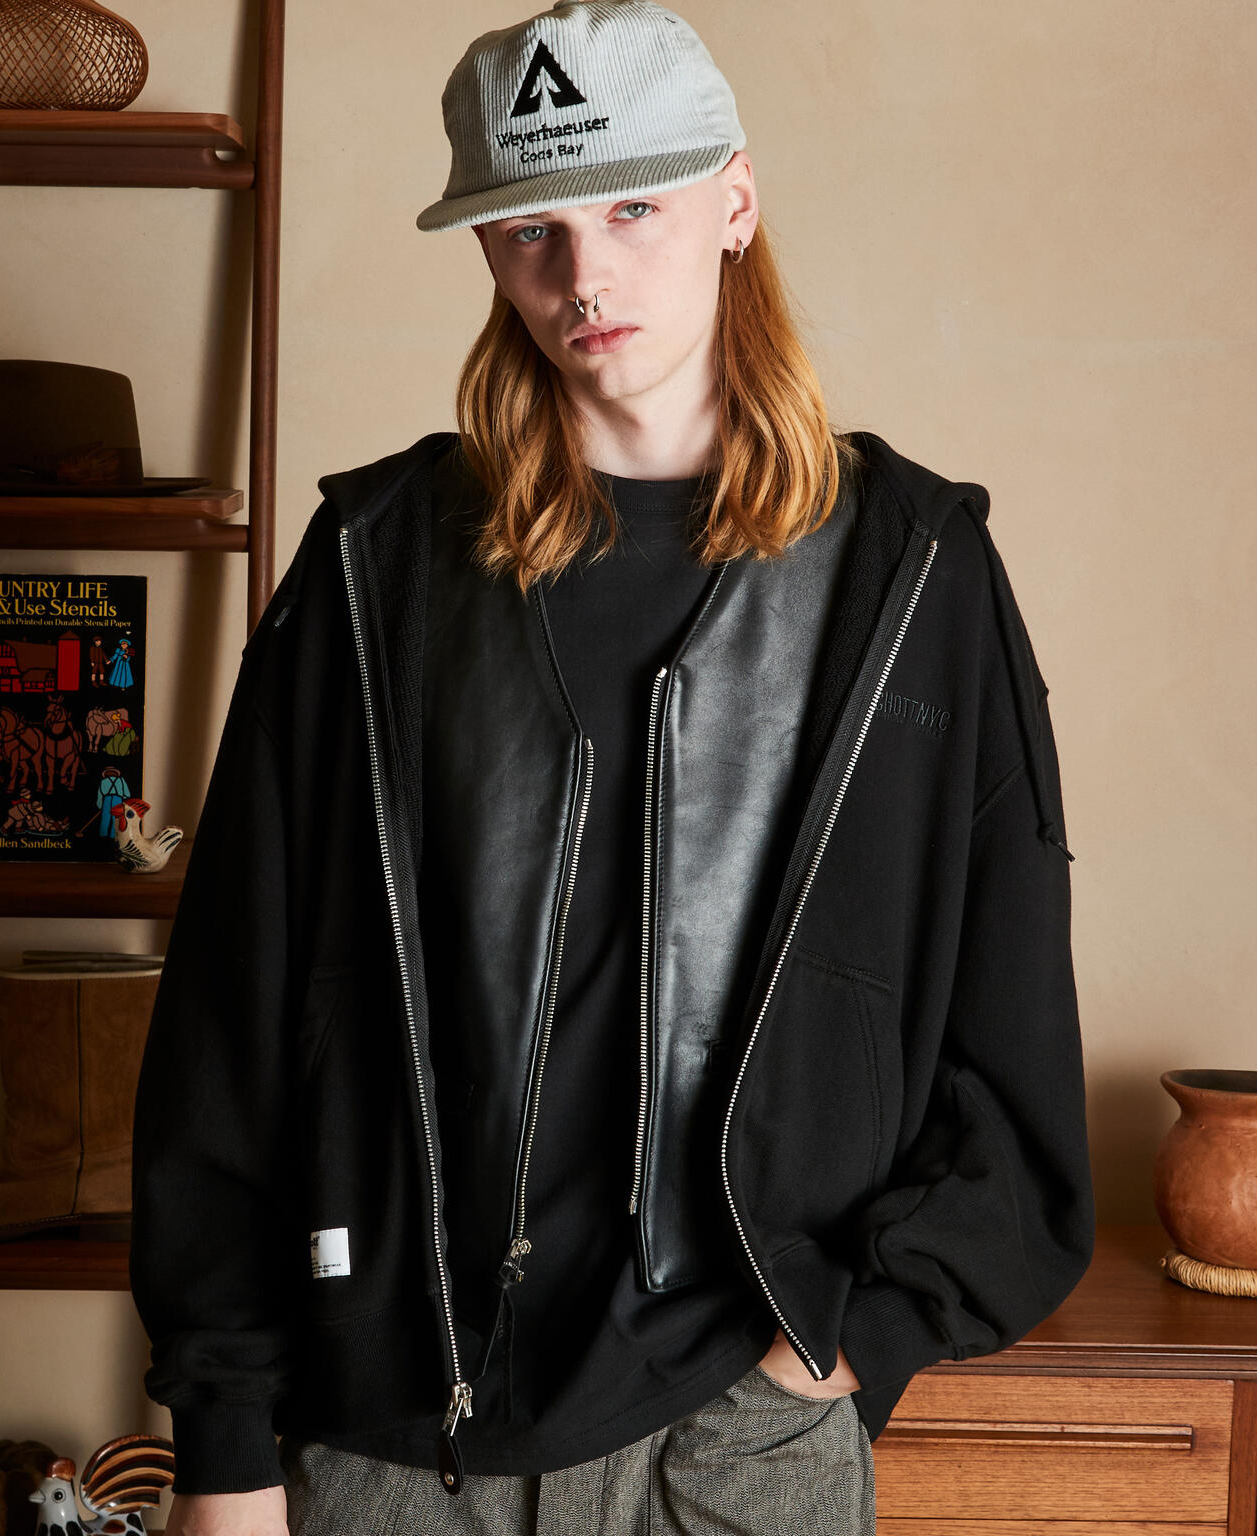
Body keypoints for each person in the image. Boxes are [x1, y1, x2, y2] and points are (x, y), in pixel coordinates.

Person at [129, 2, 1097, 1533]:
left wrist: (833, 1352)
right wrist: (225, 1447)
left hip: (741, 1442)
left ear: (735, 201)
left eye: (634, 207)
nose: (583, 277)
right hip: (395, 1449)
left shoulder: (912, 575)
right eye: (533, 228)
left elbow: (1011, 1029)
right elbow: (230, 1025)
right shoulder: (379, 567)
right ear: (490, 252)